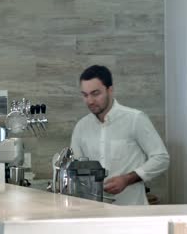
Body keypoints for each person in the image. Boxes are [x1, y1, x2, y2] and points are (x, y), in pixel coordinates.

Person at [70, 65, 169, 205]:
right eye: (85, 95)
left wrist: (127, 179)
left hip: (132, 213)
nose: (90, 101)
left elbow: (161, 158)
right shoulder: (81, 127)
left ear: (110, 90)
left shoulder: (135, 119)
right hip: (94, 213)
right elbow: (76, 166)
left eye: (95, 93)